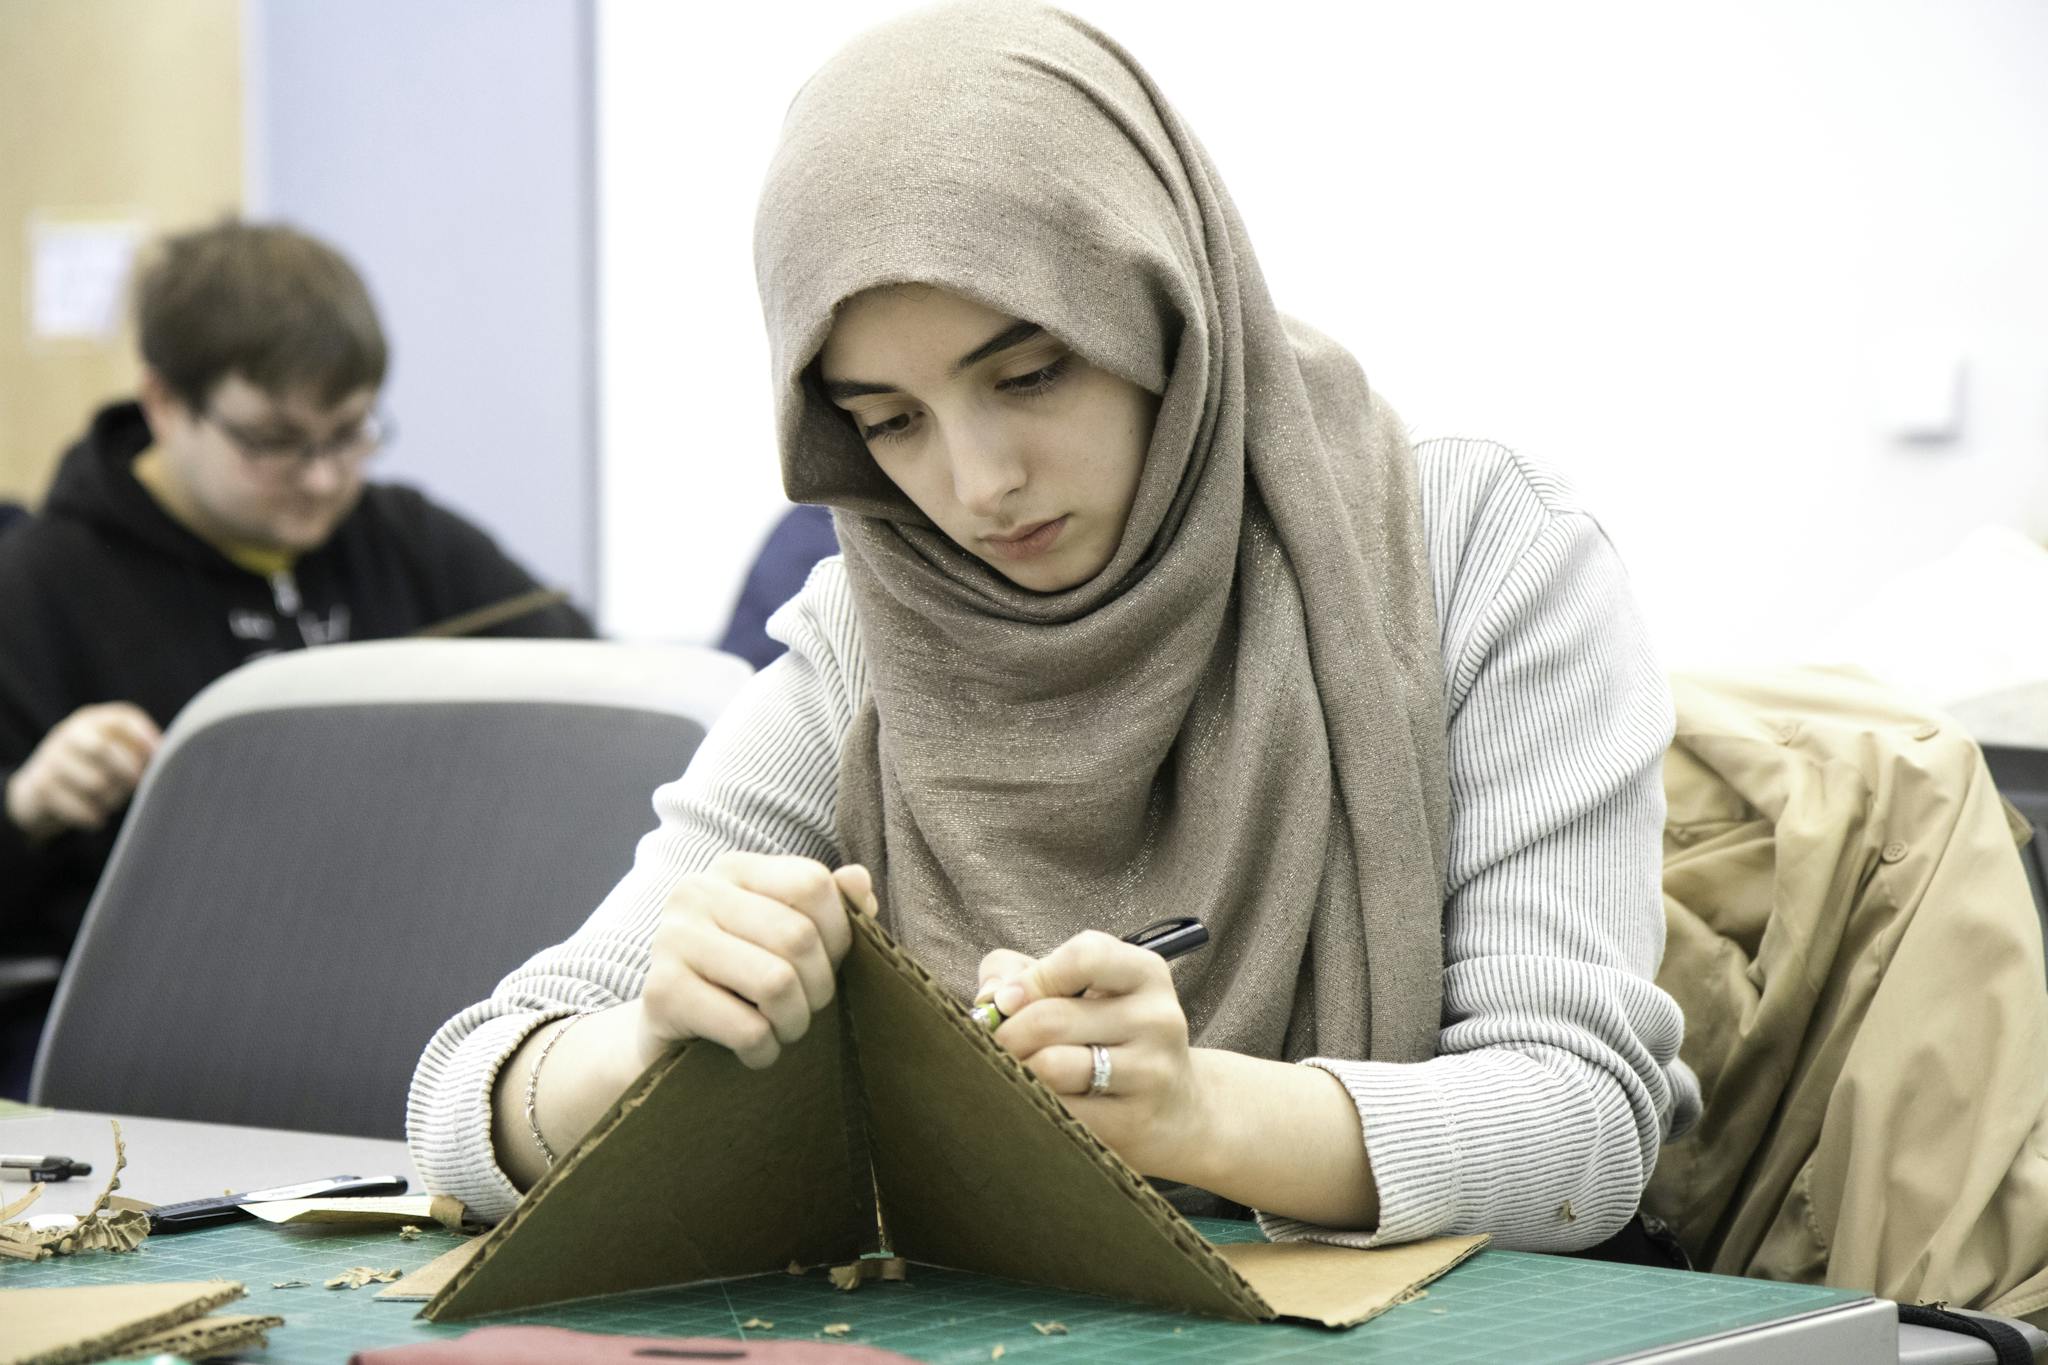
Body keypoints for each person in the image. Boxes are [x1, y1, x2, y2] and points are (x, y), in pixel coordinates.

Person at [411, 0, 1699, 1253]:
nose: (976, 487)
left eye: (1028, 374)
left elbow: (1585, 1129)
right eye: (887, 419)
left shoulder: (1472, 551)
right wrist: (641, 1048)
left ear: (1159, 309)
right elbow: (460, 1097)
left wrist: (1202, 1113)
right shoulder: (874, 627)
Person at [0, 220, 593, 1095]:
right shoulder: (38, 586)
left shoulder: (405, 539)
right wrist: (27, 807)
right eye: (273, 442)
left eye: (349, 432)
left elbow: (589, 690)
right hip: (139, 1044)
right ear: (164, 404)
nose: (321, 478)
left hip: (402, 1002)